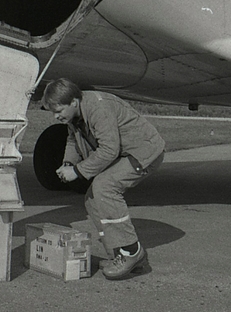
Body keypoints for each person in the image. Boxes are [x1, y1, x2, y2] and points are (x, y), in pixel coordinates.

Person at [40, 77, 166, 280]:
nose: (56, 116)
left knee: (104, 187)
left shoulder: (99, 108)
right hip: (125, 152)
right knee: (92, 199)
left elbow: (109, 149)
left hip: (144, 151)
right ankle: (119, 255)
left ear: (73, 102)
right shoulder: (75, 114)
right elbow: (72, 140)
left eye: (59, 111)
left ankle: (131, 252)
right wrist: (68, 163)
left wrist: (78, 171)